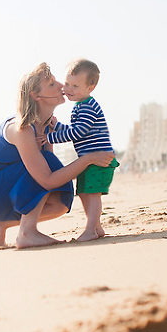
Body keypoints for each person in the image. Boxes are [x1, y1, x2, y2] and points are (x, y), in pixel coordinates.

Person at [0, 62, 115, 249]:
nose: (61, 86)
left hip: (4, 193)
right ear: (36, 96)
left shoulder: (46, 127)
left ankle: (0, 224)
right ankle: (27, 233)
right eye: (52, 84)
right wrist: (88, 159)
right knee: (49, 169)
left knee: (61, 199)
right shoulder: (22, 129)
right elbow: (47, 180)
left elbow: (49, 181)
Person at [45, 59, 119, 242]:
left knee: (92, 194)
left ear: (90, 87)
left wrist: (50, 138)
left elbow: (78, 132)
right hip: (90, 161)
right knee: (85, 193)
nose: (69, 89)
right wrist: (58, 126)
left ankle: (90, 230)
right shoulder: (80, 105)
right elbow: (76, 129)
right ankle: (96, 227)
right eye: (68, 83)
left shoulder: (87, 106)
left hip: (100, 161)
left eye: (75, 86)